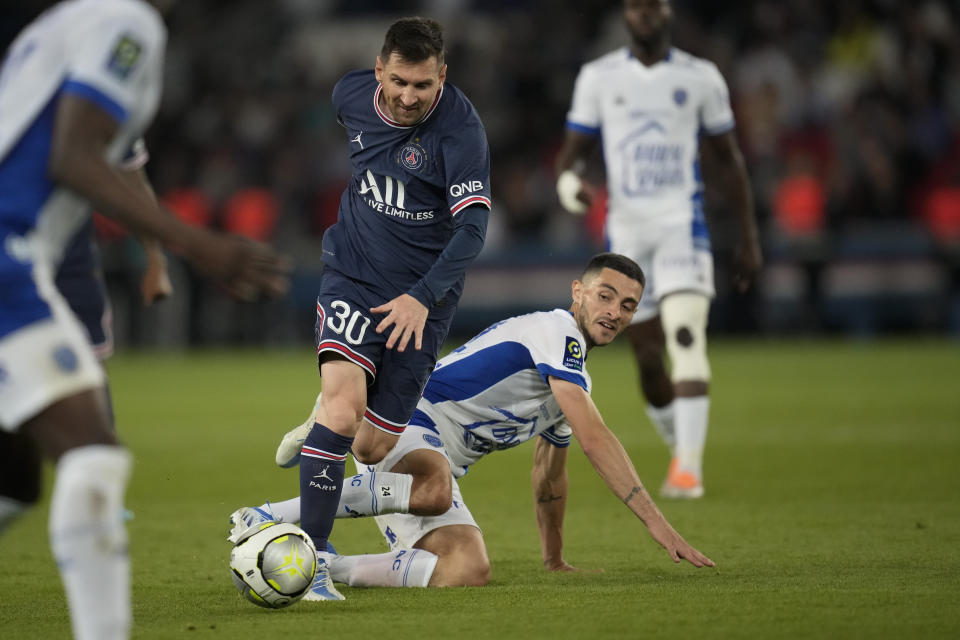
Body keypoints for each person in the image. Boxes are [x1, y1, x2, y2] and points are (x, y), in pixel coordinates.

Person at [0, 2, 288, 639]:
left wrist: (160, 249)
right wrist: (199, 244)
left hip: (21, 257)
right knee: (93, 458)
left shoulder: (70, 22)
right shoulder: (125, 23)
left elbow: (112, 160)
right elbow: (73, 156)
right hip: (8, 255)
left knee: (16, 479)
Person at [229, 253, 714, 590]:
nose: (614, 312)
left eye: (627, 306)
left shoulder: (570, 382)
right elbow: (596, 438)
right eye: (605, 296)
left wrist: (554, 559)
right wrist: (659, 526)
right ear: (578, 293)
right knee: (435, 486)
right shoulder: (557, 332)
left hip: (424, 464)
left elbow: (549, 476)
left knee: (466, 568)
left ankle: (324, 566)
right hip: (405, 420)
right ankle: (273, 514)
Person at [289, 16, 491, 599]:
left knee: (372, 448)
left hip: (422, 304)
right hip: (351, 276)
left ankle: (324, 424)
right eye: (399, 81)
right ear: (379, 70)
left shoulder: (461, 132)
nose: (408, 96)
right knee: (344, 410)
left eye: (423, 86)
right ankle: (314, 566)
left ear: (442, 78)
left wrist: (423, 298)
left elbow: (473, 227)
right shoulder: (349, 94)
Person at [554, 0, 763, 498]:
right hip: (626, 236)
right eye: (636, 5)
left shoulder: (700, 77)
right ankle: (680, 447)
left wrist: (749, 236)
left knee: (686, 337)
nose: (645, 12)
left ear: (669, 11)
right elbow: (570, 160)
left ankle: (688, 469)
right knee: (648, 358)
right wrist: (570, 188)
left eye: (654, 4)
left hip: (681, 227)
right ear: (624, 14)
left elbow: (729, 161)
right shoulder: (599, 78)